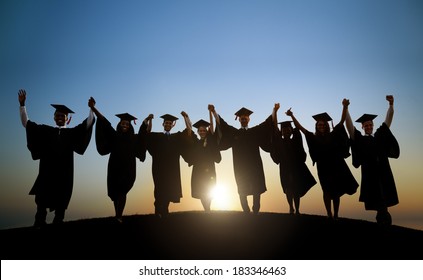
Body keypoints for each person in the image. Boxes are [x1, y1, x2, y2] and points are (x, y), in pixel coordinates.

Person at [18, 89, 95, 228]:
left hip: (64, 174)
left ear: (68, 119)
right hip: (46, 172)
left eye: (63, 116)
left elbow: (87, 125)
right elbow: (27, 124)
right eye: (58, 115)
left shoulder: (71, 133)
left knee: (61, 201)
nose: (60, 117)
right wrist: (23, 105)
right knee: (41, 201)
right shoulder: (46, 130)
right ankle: (39, 222)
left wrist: (91, 109)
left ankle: (58, 222)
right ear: (54, 117)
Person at [286, 99, 358, 219]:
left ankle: (336, 214)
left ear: (327, 125)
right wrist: (292, 116)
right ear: (316, 126)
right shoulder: (313, 137)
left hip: (336, 165)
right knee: (326, 190)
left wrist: (345, 107)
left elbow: (341, 121)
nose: (322, 126)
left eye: (324, 124)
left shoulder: (333, 134)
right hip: (323, 167)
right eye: (319, 124)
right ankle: (329, 214)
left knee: (336, 191)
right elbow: (300, 128)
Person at [89, 98, 146, 223]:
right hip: (114, 167)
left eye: (127, 124)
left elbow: (143, 136)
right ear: (120, 124)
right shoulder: (114, 135)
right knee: (115, 193)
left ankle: (119, 215)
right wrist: (93, 108)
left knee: (123, 191)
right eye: (123, 124)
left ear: (130, 125)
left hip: (128, 168)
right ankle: (117, 214)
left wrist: (146, 121)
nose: (125, 125)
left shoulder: (133, 138)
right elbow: (104, 122)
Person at [345, 95, 400, 225]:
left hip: (384, 172)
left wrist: (391, 105)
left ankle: (383, 220)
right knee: (379, 201)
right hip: (370, 175)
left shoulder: (380, 136)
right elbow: (350, 127)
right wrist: (346, 109)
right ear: (363, 127)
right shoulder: (360, 139)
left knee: (383, 199)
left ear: (373, 125)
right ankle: (383, 220)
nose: (369, 126)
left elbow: (388, 121)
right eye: (366, 125)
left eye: (370, 124)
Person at [214, 105, 275, 214]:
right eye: (242, 117)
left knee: (256, 188)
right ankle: (246, 211)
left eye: (245, 117)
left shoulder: (255, 132)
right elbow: (223, 125)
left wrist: (274, 110)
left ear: (249, 119)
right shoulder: (234, 133)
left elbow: (267, 123)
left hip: (255, 166)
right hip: (240, 167)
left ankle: (256, 210)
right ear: (239, 119)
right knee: (242, 189)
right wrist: (214, 111)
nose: (243, 119)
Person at [140, 112, 191, 218]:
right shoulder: (157, 137)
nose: (168, 124)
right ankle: (158, 210)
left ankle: (165, 210)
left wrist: (186, 117)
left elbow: (189, 131)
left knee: (169, 188)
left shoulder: (176, 137)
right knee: (159, 188)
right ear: (163, 124)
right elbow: (146, 134)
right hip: (159, 168)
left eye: (170, 123)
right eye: (166, 123)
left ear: (173, 125)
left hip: (172, 169)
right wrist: (149, 120)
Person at [271, 103, 317, 215]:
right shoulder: (279, 141)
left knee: (296, 189)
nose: (286, 131)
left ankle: (297, 209)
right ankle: (291, 207)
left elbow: (298, 127)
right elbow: (274, 126)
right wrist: (275, 111)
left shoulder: (296, 139)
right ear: (281, 132)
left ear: (291, 131)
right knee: (288, 189)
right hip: (285, 168)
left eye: (288, 129)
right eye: (284, 130)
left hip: (296, 168)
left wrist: (291, 116)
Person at [184, 105, 222, 212]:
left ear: (206, 131)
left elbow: (212, 126)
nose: (202, 132)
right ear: (198, 132)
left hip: (209, 170)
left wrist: (211, 112)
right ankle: (207, 209)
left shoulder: (210, 141)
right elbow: (189, 130)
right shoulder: (196, 143)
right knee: (201, 192)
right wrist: (186, 118)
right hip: (198, 170)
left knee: (209, 190)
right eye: (200, 131)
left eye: (204, 130)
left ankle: (207, 209)